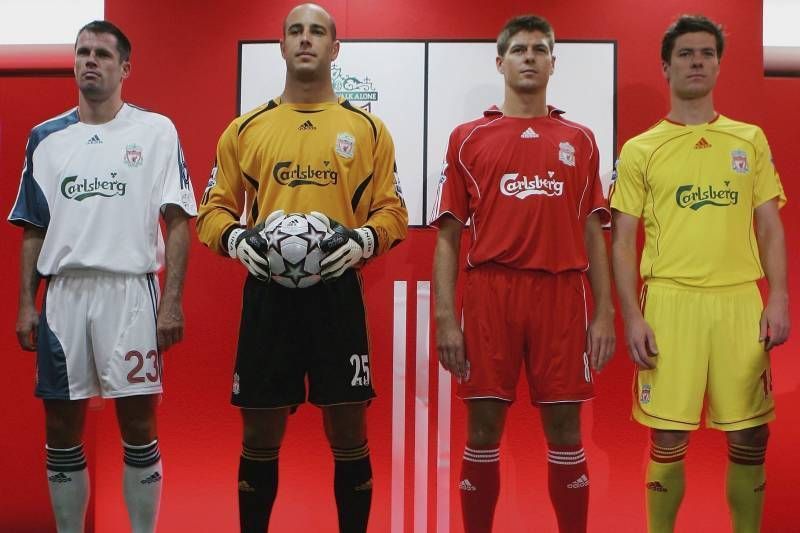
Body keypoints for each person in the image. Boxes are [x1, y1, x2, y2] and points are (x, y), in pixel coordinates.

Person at [195, 4, 407, 532]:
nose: (305, 39)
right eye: (295, 31)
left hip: (338, 293)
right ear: (282, 46)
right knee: (259, 434)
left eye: (317, 32)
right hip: (268, 295)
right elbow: (212, 209)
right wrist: (234, 237)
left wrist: (363, 239)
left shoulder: (368, 130)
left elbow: (394, 211)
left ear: (335, 50)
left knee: (348, 426)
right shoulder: (245, 129)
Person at [9, 20, 196, 533]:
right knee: (62, 427)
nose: (90, 61)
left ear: (125, 68)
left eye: (103, 55)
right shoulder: (45, 138)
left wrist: (172, 301)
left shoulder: (156, 131)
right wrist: (26, 303)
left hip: (131, 292)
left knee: (138, 423)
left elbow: (179, 220)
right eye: (83, 52)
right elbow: (32, 227)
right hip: (64, 295)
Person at [431, 14, 615, 533]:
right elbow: (447, 236)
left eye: (539, 49)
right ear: (500, 62)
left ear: (554, 63)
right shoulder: (469, 138)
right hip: (491, 294)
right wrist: (447, 318)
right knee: (483, 428)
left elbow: (591, 233)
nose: (529, 57)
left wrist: (603, 314)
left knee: (565, 428)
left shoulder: (579, 139)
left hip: (561, 295)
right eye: (519, 49)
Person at [610, 14, 789, 533]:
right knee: (667, 438)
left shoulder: (748, 139)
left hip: (738, 301)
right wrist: (633, 316)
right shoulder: (642, 148)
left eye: (706, 53)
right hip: (669, 303)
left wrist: (778, 298)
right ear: (667, 66)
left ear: (718, 64)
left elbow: (770, 227)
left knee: (750, 436)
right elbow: (622, 242)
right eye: (686, 54)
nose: (696, 61)